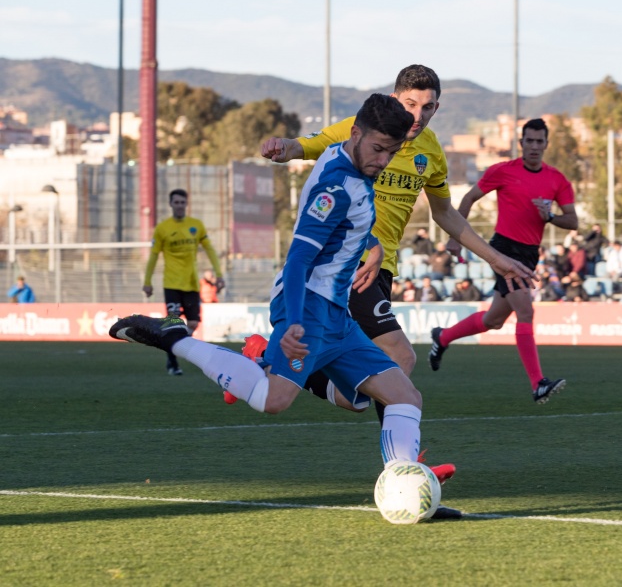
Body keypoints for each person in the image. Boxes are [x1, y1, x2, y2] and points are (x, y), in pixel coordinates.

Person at [109, 94, 456, 515]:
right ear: (356, 134)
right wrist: (293, 322)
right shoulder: (335, 188)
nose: (383, 160)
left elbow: (346, 221)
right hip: (307, 308)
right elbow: (297, 260)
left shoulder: (342, 160)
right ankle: (176, 338)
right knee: (273, 401)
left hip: (335, 313)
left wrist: (372, 246)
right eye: (378, 149)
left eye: (392, 152)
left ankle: (404, 492)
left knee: (403, 396)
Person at [260, 64, 534, 415]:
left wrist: (494, 258)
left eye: (427, 107)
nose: (417, 115)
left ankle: (269, 363)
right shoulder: (363, 128)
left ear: (437, 108)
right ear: (394, 99)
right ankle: (403, 461)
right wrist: (284, 147)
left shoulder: (432, 152)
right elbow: (308, 145)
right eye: (409, 104)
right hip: (349, 261)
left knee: (357, 397)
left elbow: (445, 213)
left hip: (383, 266)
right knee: (400, 356)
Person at [429, 117, 578, 404]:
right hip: (503, 249)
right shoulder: (503, 171)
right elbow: (469, 198)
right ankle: (538, 384)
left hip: (530, 253)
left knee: (494, 320)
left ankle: (443, 337)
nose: (534, 146)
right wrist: (454, 237)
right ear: (521, 143)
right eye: (529, 141)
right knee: (526, 312)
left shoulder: (557, 179)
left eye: (539, 141)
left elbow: (573, 221)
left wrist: (551, 217)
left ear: (546, 144)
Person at [143, 189, 225, 376]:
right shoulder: (163, 228)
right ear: (170, 204)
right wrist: (147, 282)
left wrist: (219, 274)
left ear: (186, 204)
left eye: (182, 202)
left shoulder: (196, 226)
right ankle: (172, 362)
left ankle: (176, 347)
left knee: (194, 323)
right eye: (176, 202)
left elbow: (210, 250)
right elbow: (154, 256)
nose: (179, 206)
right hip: (171, 283)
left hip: (191, 284)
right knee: (173, 323)